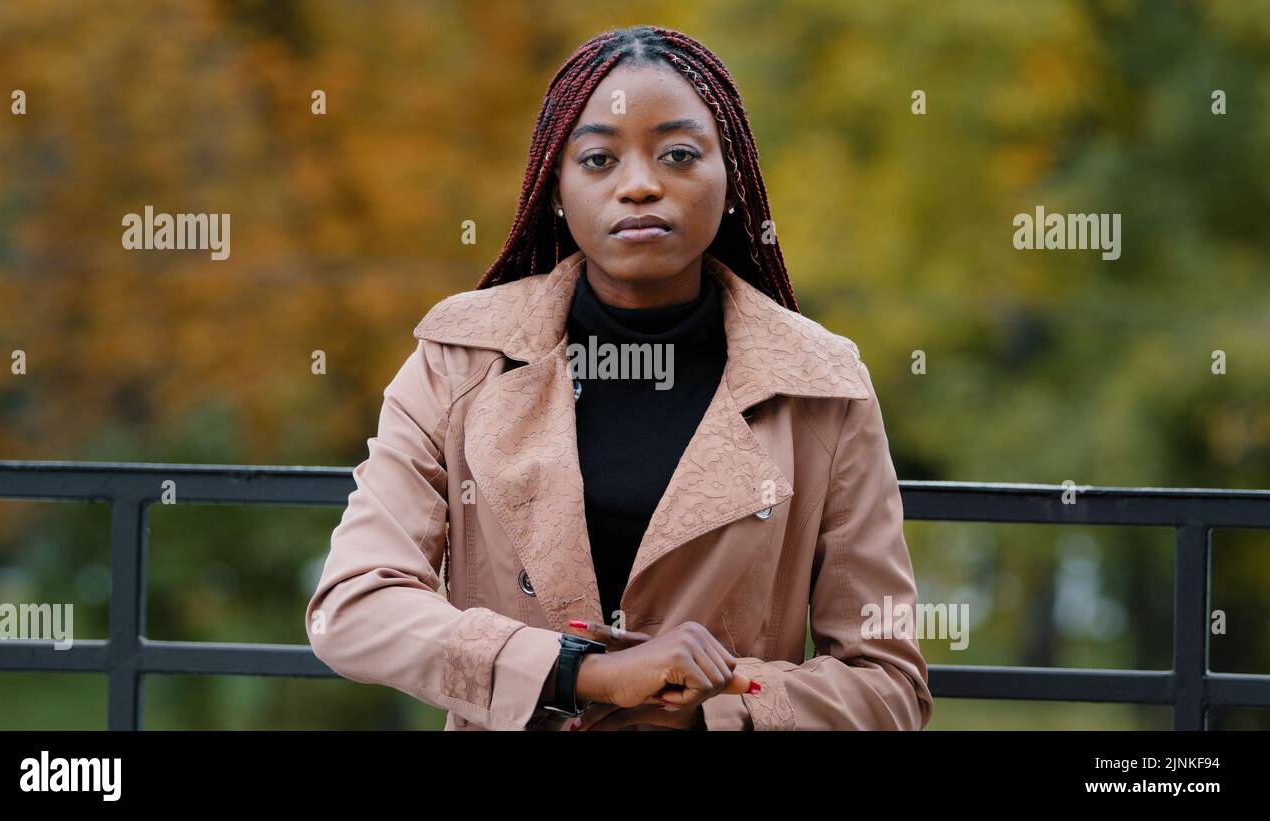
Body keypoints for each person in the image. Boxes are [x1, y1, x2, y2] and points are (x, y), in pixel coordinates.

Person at [305, 24, 933, 731]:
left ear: (732, 183)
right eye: (600, 158)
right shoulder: (460, 361)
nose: (639, 185)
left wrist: (721, 704)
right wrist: (580, 671)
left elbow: (887, 685)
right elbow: (355, 603)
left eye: (678, 154)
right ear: (555, 191)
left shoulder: (822, 386)